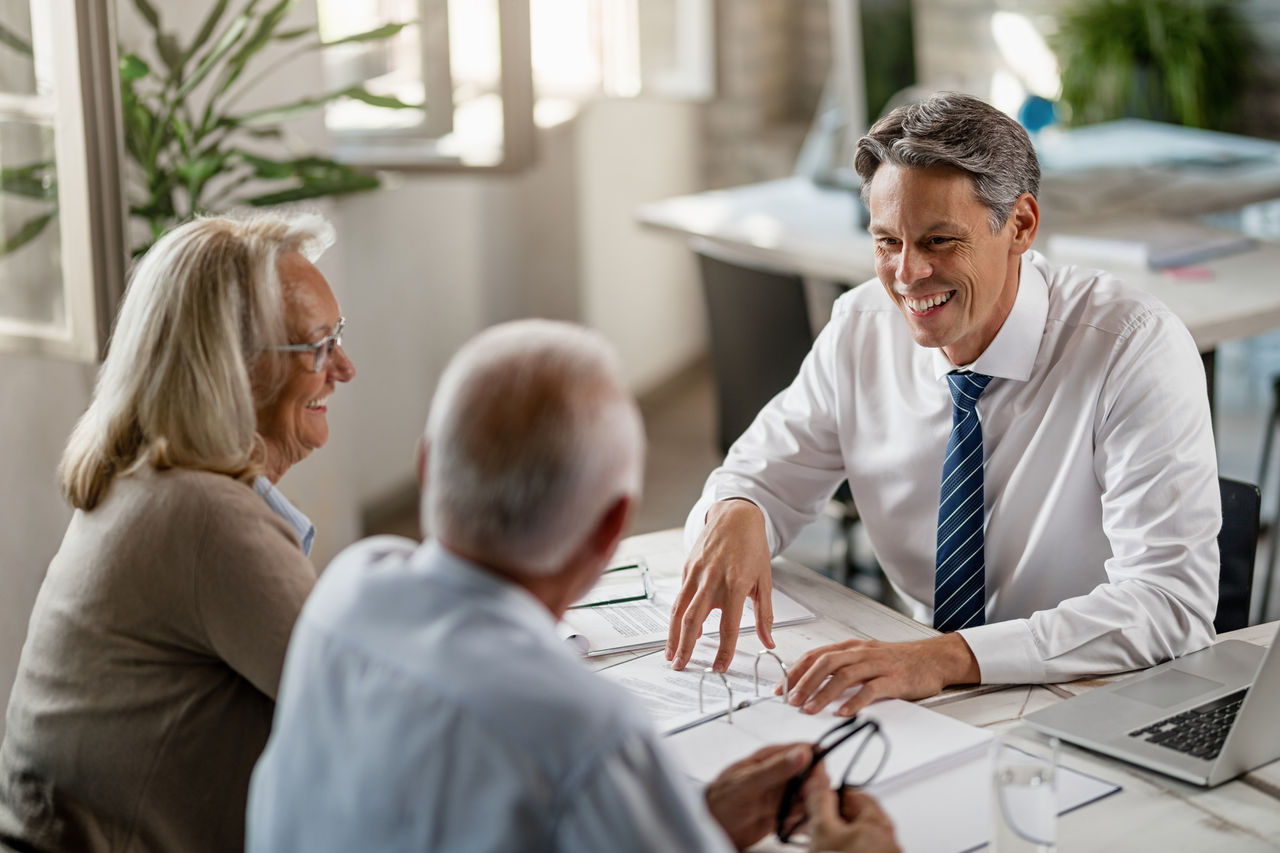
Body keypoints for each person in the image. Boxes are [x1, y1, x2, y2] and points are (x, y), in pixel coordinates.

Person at [247, 319, 899, 853]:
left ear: (426, 466)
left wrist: (696, 822)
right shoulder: (583, 730)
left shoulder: (345, 593)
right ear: (613, 526)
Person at [667, 92, 1219, 718]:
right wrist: (739, 508)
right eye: (887, 242)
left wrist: (946, 658)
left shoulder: (1133, 348)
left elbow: (1170, 603)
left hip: (1098, 693)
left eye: (938, 240)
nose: (908, 274)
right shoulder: (860, 328)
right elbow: (757, 476)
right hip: (929, 696)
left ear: (1021, 225)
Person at [0, 212, 356, 853]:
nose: (344, 368)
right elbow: (368, 714)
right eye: (318, 345)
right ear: (233, 365)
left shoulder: (153, 484)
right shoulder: (205, 517)